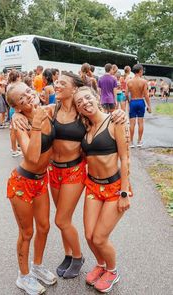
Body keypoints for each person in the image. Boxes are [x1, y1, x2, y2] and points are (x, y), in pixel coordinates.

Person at [13, 73, 126, 280]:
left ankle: (78, 257)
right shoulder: (51, 109)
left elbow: (102, 120)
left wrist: (120, 115)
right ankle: (68, 254)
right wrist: (16, 114)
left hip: (74, 171)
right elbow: (30, 112)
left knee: (61, 219)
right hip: (53, 170)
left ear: (74, 89)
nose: (57, 85)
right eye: (57, 82)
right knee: (62, 218)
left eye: (62, 83)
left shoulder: (82, 112)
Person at [73, 86, 132, 293]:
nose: (85, 103)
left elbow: (125, 159)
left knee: (99, 237)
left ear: (96, 97)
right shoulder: (85, 128)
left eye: (87, 98)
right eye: (79, 102)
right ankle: (101, 265)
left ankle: (113, 271)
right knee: (89, 235)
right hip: (92, 186)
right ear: (77, 109)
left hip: (114, 188)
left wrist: (124, 193)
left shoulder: (115, 120)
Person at [6, 82, 57, 295]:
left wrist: (117, 117)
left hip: (40, 181)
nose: (28, 96)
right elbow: (32, 156)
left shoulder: (48, 111)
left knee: (44, 227)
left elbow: (75, 102)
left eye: (28, 91)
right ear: (17, 107)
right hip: (22, 183)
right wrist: (35, 124)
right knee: (27, 233)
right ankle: (23, 276)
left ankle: (37, 266)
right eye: (22, 99)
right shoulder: (20, 123)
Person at [126, 64, 151, 148]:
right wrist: (149, 106)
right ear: (140, 71)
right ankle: (139, 141)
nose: (142, 72)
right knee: (140, 122)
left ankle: (131, 142)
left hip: (133, 101)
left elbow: (126, 94)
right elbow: (146, 95)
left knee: (132, 123)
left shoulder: (129, 81)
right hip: (140, 102)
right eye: (142, 70)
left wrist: (130, 102)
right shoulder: (144, 81)